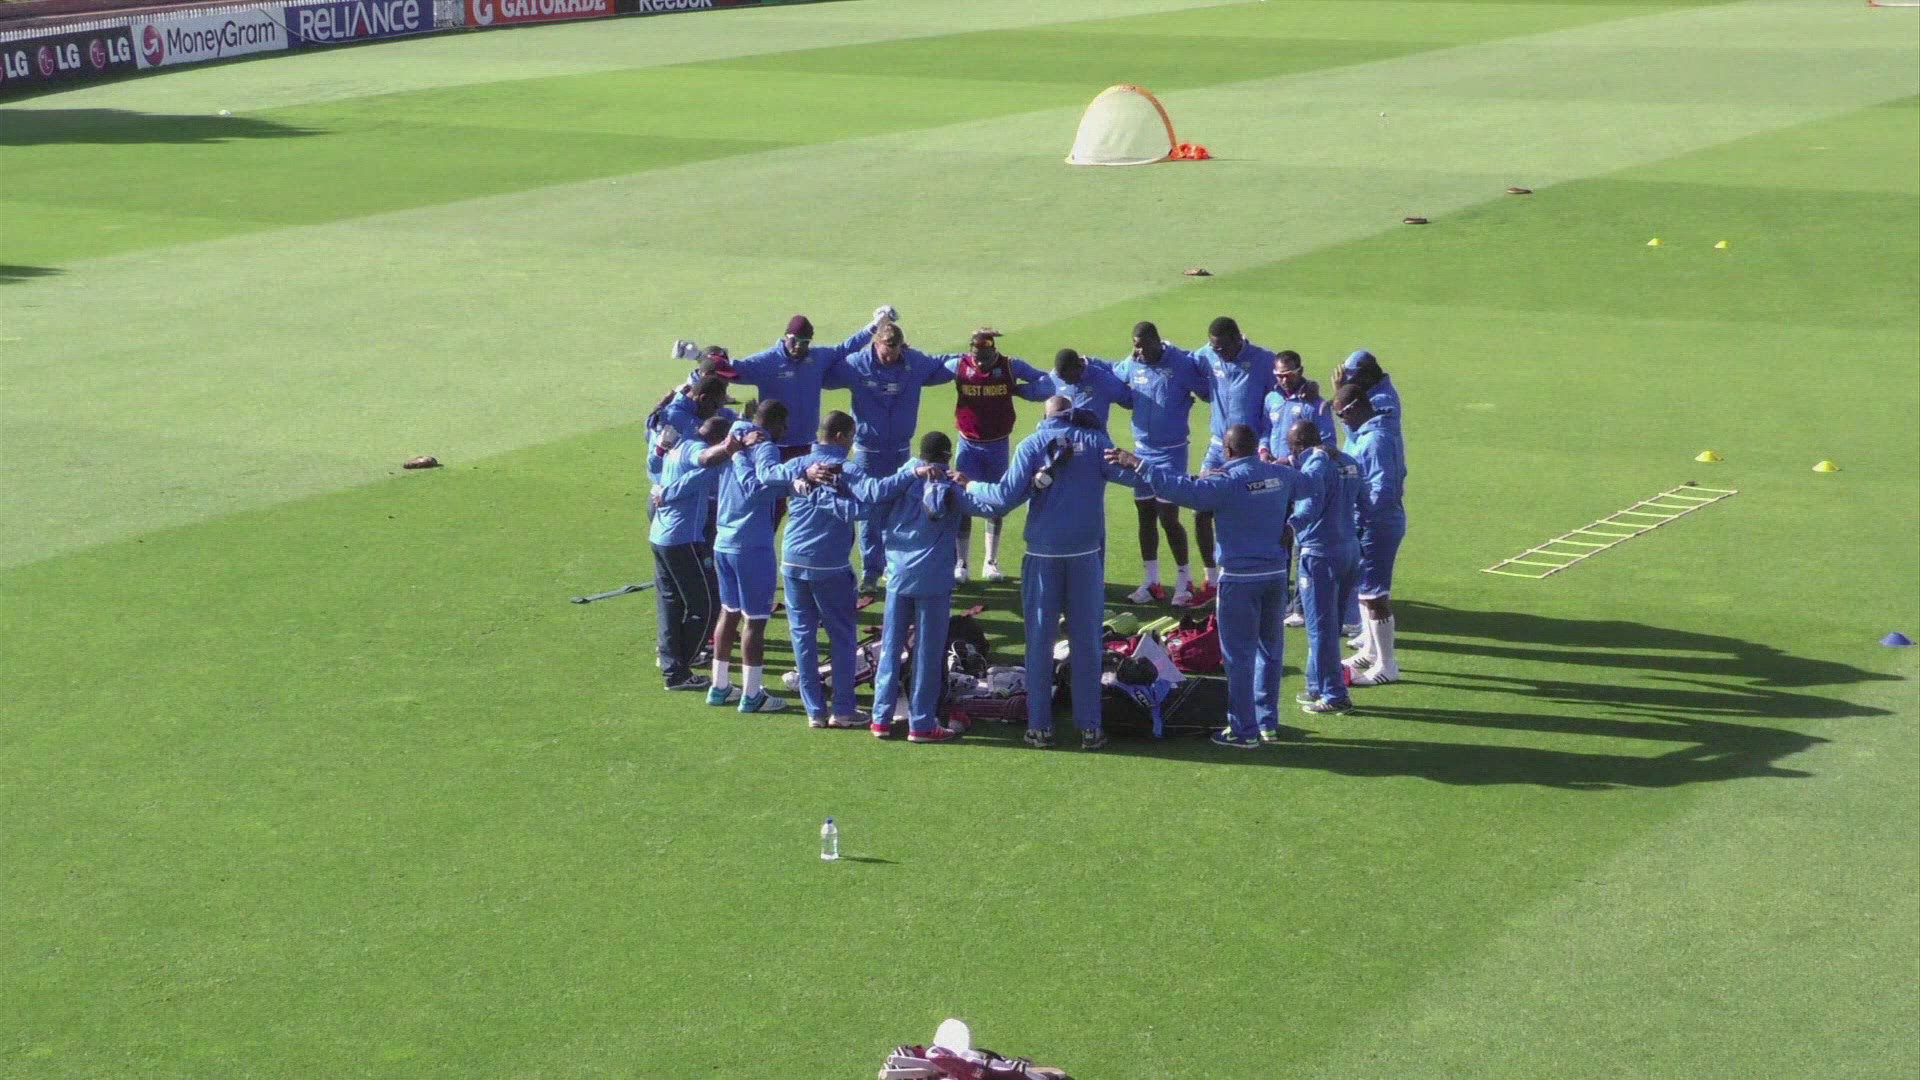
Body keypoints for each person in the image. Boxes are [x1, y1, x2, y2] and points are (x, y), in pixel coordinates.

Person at [1111, 424, 1305, 747]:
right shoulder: (1279, 475)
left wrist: (1139, 464)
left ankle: (1243, 731)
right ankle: (1267, 723)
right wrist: (1295, 524)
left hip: (1239, 581)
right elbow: (1318, 487)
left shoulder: (1225, 483)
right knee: (1270, 650)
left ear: (1227, 451)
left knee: (1238, 657)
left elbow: (1177, 490)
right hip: (1275, 576)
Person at [965, 397, 1138, 750]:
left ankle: (1040, 727)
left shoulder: (1032, 444)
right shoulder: (1095, 441)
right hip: (1085, 557)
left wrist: (969, 485)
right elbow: (1130, 476)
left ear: (1045, 416)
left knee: (1039, 643)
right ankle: (1090, 729)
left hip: (1043, 556)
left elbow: (1003, 498)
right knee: (1087, 643)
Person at [849, 432, 992, 743]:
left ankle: (881, 719)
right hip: (934, 581)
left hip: (898, 575)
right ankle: (922, 723)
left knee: (890, 648)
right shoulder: (950, 485)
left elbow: (873, 499)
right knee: (928, 654)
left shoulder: (903, 478)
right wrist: (970, 484)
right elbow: (990, 506)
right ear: (946, 456)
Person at [825, 321, 959, 593]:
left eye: (896, 351)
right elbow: (826, 375)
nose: (891, 357)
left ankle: (895, 566)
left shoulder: (913, 361)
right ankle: (871, 573)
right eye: (886, 352)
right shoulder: (856, 363)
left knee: (901, 509)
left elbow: (943, 364)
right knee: (870, 510)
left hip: (900, 451)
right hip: (868, 452)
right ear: (876, 344)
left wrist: (971, 360)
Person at [774, 411, 871, 729]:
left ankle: (814, 711)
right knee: (842, 637)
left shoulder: (799, 463)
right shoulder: (847, 469)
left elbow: (770, 479)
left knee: (803, 635)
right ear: (841, 436)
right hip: (829, 564)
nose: (853, 443)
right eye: (852, 437)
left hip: (792, 559)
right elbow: (867, 504)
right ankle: (842, 709)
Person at [1106, 321, 1211, 606]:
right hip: (1142, 451)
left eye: (1142, 345)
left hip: (1171, 452)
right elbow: (1114, 374)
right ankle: (1151, 582)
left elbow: (1206, 390)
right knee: (1145, 514)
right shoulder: (1133, 363)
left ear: (1156, 341)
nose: (1138, 351)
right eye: (1135, 345)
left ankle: (1184, 580)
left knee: (1168, 516)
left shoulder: (1180, 363)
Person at [647, 416, 750, 692]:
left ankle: (672, 666)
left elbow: (663, 471)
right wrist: (730, 451)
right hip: (683, 540)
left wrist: (666, 491)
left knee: (671, 604)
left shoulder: (679, 445)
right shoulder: (698, 451)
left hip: (661, 536)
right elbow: (704, 470)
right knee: (706, 605)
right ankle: (679, 668)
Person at [943, 329, 1051, 583]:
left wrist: (1021, 391)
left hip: (998, 444)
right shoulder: (959, 365)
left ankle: (990, 561)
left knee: (996, 502)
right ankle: (961, 562)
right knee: (962, 500)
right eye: (976, 357)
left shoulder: (1011, 366)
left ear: (995, 352)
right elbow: (929, 369)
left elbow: (1046, 383)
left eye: (985, 358)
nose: (980, 363)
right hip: (968, 444)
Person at [724, 307, 895, 463]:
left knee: (808, 487)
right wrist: (709, 358)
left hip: (808, 445)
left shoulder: (817, 358)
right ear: (786, 336)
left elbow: (845, 349)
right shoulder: (767, 361)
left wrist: (875, 325)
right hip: (773, 446)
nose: (799, 346)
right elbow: (733, 371)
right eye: (795, 340)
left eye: (805, 342)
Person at [708, 399, 792, 714]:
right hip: (752, 547)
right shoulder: (764, 447)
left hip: (723, 541)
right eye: (784, 425)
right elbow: (755, 489)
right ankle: (752, 694)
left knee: (728, 613)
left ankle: (719, 687)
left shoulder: (735, 435)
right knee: (755, 622)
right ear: (777, 423)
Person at [1192, 316, 1278, 608]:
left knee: (1249, 512)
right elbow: (1184, 366)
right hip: (1218, 448)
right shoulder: (1207, 355)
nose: (1217, 352)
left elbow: (1276, 406)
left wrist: (1265, 445)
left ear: (1237, 338)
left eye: (1221, 347)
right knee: (1201, 509)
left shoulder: (1264, 361)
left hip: (1249, 452)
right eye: (1213, 347)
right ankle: (1211, 579)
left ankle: (1260, 572)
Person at [1285, 420, 1361, 715]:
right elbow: (1362, 500)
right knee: (1332, 624)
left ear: (1299, 444)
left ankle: (1334, 694)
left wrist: (1287, 529)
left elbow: (1308, 507)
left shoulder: (1315, 466)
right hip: (1348, 548)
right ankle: (1316, 684)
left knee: (1320, 628)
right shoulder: (1348, 461)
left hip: (1320, 554)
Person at [1334, 383, 1407, 686]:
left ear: (1356, 409)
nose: (1341, 421)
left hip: (1377, 525)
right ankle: (1370, 650)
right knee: (1365, 591)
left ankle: (1387, 665)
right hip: (1365, 522)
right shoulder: (1363, 434)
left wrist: (1363, 521)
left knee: (1374, 594)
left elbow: (1382, 489)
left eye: (1342, 415)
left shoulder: (1376, 440)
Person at [1260, 352, 1338, 628]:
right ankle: (1278, 598)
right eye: (1279, 375)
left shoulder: (1315, 404)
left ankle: (1301, 605)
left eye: (1288, 374)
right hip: (1275, 481)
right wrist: (1263, 450)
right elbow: (1265, 429)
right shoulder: (1272, 398)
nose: (1283, 380)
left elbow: (1328, 444)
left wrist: (1291, 461)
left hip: (1302, 481)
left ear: (1300, 371)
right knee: (1277, 538)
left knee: (1301, 540)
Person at [1043, 347, 1133, 431]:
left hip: (1094, 439)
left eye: (1067, 376)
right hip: (1065, 439)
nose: (1065, 381)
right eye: (1061, 377)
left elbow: (1130, 400)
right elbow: (1036, 390)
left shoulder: (1102, 379)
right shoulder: (1054, 379)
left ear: (1078, 367)